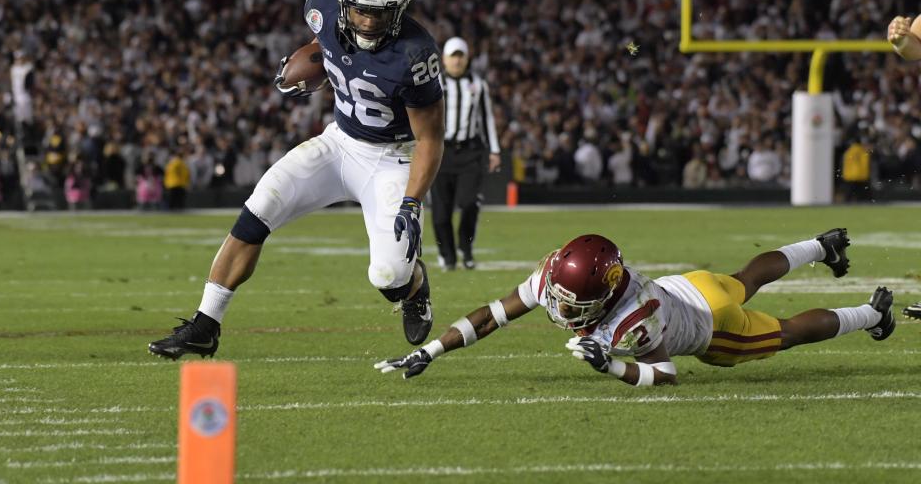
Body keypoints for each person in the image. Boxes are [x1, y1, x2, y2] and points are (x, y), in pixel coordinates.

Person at [149, 0, 445, 359]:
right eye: (361, 11)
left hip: (393, 157)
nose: (370, 22)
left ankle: (414, 289)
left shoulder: (416, 54)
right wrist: (309, 66)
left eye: (381, 13)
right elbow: (321, 47)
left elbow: (429, 139)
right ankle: (205, 324)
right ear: (343, 3)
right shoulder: (320, 6)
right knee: (261, 204)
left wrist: (412, 201)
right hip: (340, 142)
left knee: (389, 274)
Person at [376, 228, 896, 386]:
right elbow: (493, 313)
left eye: (571, 301)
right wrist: (431, 350)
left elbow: (666, 375)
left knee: (784, 332)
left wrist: (614, 365)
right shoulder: (560, 273)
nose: (556, 303)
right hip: (690, 286)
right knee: (745, 276)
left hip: (712, 325)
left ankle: (874, 314)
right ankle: (821, 246)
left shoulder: (633, 315)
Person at [429, 37, 501, 270]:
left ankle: (466, 249)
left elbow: (486, 118)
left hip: (471, 151)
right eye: (453, 56)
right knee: (441, 212)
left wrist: (495, 150)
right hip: (442, 152)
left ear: (467, 58)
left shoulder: (477, 84)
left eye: (460, 56)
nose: (457, 60)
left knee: (470, 203)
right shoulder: (434, 83)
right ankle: (447, 256)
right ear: (444, 59)